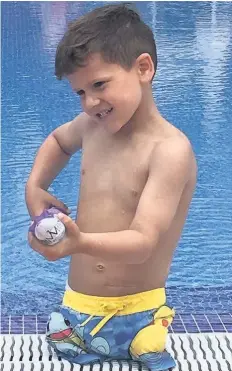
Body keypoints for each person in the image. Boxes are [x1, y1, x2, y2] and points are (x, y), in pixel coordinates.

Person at [25, 3, 197, 371]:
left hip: (139, 310)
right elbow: (58, 141)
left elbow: (143, 242)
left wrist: (79, 243)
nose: (90, 103)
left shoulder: (169, 150)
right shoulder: (91, 128)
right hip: (79, 306)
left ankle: (141, 338)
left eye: (99, 84)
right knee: (62, 330)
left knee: (148, 346)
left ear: (143, 68)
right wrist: (36, 185)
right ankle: (78, 331)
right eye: (80, 92)